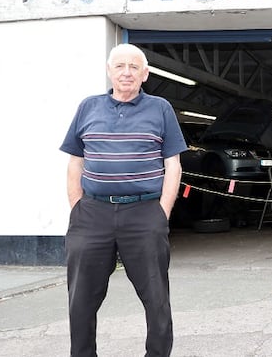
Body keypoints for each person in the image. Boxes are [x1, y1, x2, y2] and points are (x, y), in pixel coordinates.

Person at [60, 43, 187, 356]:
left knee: (156, 297)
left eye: (134, 67)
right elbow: (75, 161)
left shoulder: (161, 109)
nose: (127, 72)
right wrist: (77, 206)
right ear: (109, 71)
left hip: (144, 212)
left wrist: (162, 213)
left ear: (145, 74)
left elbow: (173, 164)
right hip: (91, 213)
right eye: (120, 66)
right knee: (81, 299)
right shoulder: (88, 107)